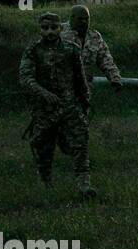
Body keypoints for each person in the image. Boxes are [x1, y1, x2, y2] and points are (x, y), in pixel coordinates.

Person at [18, 11, 94, 198]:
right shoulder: (33, 50)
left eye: (54, 27)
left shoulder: (71, 49)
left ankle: (84, 185)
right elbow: (25, 78)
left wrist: (85, 102)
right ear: (40, 29)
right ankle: (46, 185)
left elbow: (80, 79)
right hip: (44, 110)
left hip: (69, 107)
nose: (50, 32)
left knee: (80, 142)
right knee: (43, 147)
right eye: (45, 28)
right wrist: (44, 93)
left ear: (61, 28)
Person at [61, 4, 123, 91]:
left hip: (84, 91)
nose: (84, 22)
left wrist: (115, 78)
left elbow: (105, 59)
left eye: (86, 19)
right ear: (72, 18)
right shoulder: (58, 32)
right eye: (80, 19)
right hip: (61, 90)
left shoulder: (94, 37)